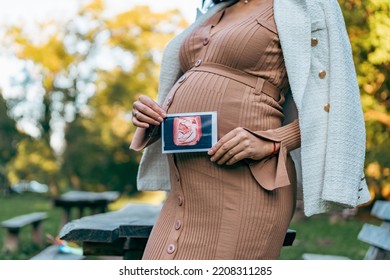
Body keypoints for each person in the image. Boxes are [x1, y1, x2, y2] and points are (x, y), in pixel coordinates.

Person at [130, 0, 371, 260]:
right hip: (184, 191)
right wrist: (155, 120)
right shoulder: (214, 11)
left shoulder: (304, 5)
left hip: (248, 182)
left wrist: (272, 142)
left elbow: (335, 101)